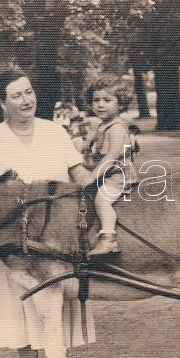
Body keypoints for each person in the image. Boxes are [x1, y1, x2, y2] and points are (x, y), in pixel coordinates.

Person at [0, 71, 97, 358]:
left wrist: (103, 180)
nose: (26, 100)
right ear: (2, 103)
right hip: (11, 244)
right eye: (17, 95)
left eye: (29, 92)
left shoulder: (54, 131)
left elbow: (78, 173)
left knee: (58, 306)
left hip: (55, 239)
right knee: (18, 309)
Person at [81, 80, 133, 256]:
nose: (100, 105)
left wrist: (92, 176)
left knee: (101, 200)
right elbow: (89, 147)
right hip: (107, 174)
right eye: (96, 100)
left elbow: (111, 157)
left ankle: (109, 239)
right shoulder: (101, 125)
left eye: (107, 100)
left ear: (120, 104)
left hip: (118, 176)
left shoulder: (116, 128)